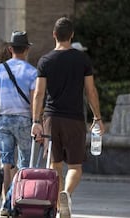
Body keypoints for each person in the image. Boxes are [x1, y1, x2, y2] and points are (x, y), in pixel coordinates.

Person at [31, 17, 104, 218]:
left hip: (51, 118)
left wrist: (36, 121)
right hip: (75, 119)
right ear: (71, 35)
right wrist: (97, 117)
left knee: (55, 165)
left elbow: (38, 93)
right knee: (75, 166)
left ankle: (57, 205)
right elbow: (91, 91)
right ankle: (67, 195)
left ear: (54, 34)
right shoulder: (82, 60)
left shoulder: (45, 60)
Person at [0, 31, 37, 216]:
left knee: (6, 164)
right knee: (24, 164)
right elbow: (34, 102)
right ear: (27, 49)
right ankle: (15, 202)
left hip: (3, 120)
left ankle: (6, 205)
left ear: (11, 48)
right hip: (24, 120)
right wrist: (38, 123)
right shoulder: (32, 72)